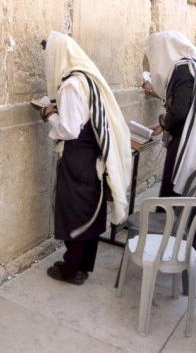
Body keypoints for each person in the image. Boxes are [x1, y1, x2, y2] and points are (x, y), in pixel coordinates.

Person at [40, 31, 132, 285]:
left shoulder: (71, 84)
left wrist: (49, 114)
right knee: (90, 209)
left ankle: (70, 270)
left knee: (75, 212)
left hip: (78, 158)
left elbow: (69, 129)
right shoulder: (89, 80)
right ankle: (83, 267)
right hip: (92, 157)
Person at [143, 31, 196, 198]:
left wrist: (164, 122)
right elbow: (191, 100)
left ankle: (170, 223)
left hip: (186, 140)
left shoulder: (182, 69)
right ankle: (184, 222)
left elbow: (180, 111)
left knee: (175, 192)